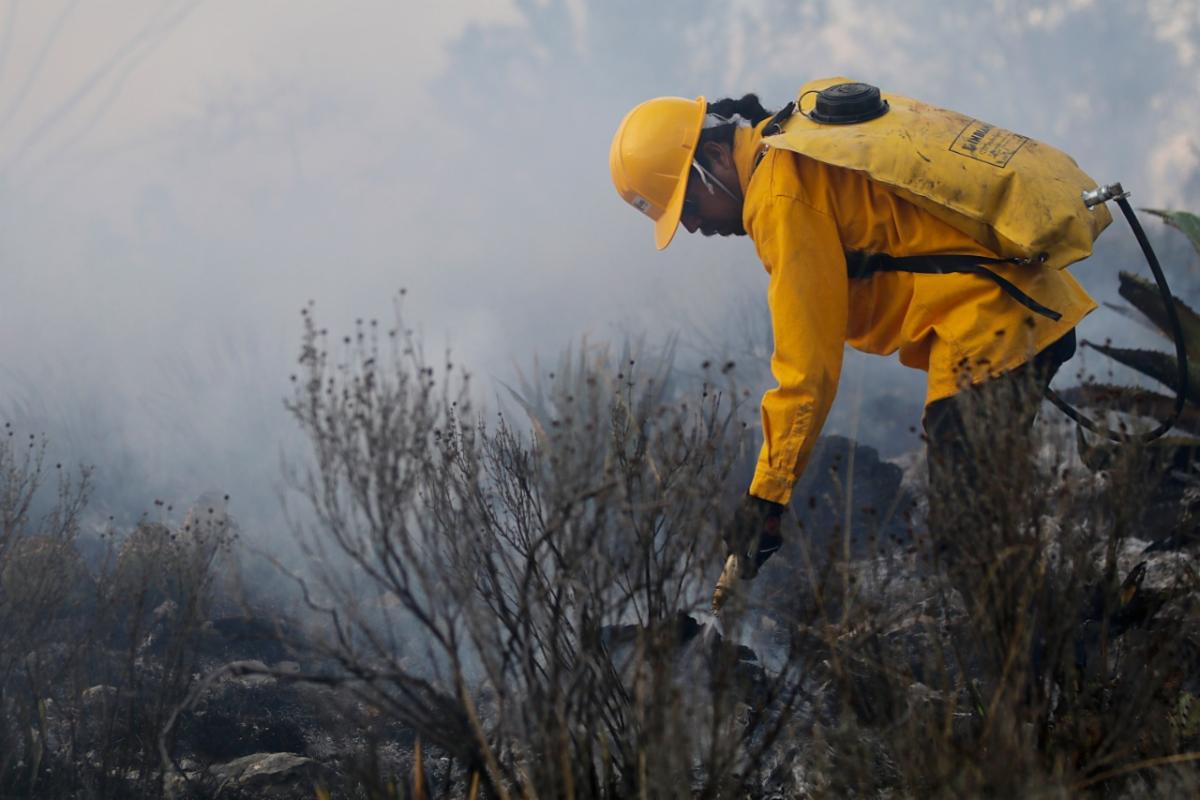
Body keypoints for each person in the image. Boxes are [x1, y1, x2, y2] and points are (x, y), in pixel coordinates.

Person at [608, 91, 1094, 579]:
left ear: (714, 156)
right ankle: (1078, 624)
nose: (692, 226)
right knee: (986, 528)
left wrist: (765, 500)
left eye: (688, 204)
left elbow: (807, 373)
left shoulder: (779, 197)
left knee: (971, 544)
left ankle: (1054, 649)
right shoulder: (796, 131)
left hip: (991, 330)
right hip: (1020, 308)